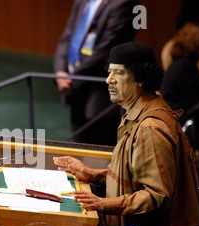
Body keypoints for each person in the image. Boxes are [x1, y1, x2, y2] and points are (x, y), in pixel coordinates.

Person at [53, 42, 199, 226]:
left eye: (119, 73)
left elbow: (156, 194)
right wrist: (94, 175)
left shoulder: (150, 128)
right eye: (109, 71)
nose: (109, 80)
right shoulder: (140, 111)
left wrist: (103, 204)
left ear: (141, 79)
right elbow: (136, 173)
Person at [54, 0, 138, 146]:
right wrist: (60, 72)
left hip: (100, 92)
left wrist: (73, 78)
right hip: (74, 85)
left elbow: (107, 49)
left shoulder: (124, 3)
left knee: (100, 146)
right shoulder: (83, 1)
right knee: (79, 144)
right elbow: (67, 36)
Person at [160, 23, 199, 125]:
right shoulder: (185, 67)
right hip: (183, 125)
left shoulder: (178, 64)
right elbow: (197, 103)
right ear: (198, 45)